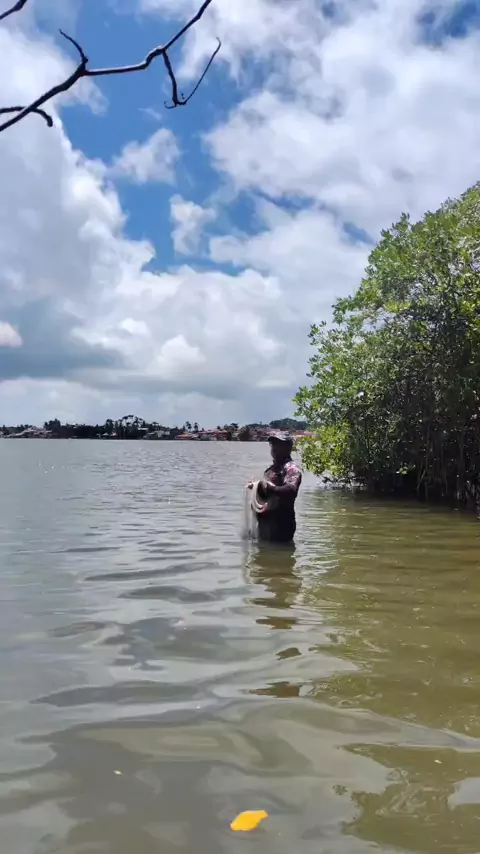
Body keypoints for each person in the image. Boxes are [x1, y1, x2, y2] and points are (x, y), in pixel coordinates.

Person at [247, 432, 302, 543]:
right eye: (273, 444)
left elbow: (291, 490)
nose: (274, 447)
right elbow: (265, 495)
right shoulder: (271, 469)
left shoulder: (291, 469)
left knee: (279, 551)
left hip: (282, 525)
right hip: (265, 523)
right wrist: (256, 487)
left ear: (288, 448)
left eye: (279, 444)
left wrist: (271, 488)